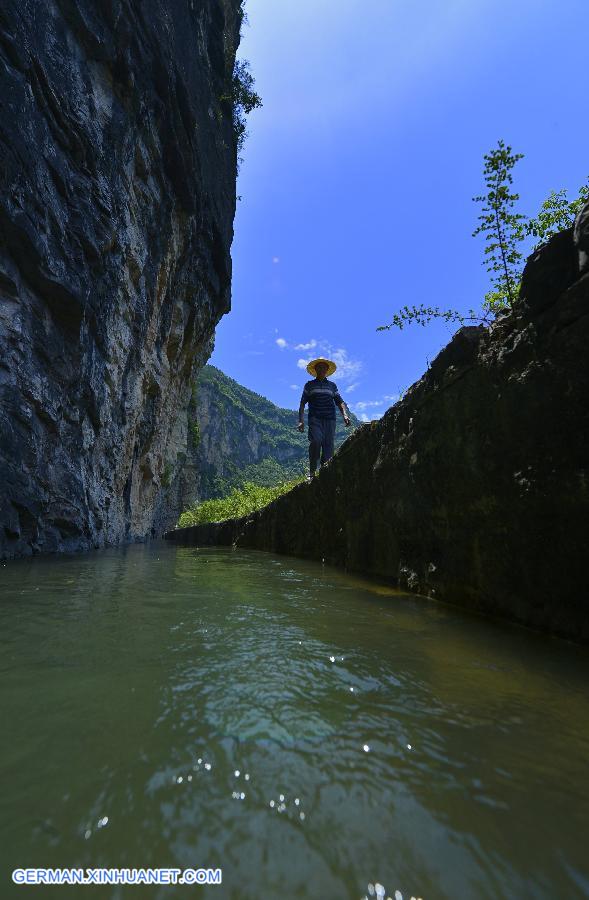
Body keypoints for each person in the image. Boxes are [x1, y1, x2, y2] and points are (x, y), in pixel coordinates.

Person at [297, 357, 351, 477]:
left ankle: (324, 475)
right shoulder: (309, 385)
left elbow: (339, 401)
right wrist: (301, 421)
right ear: (315, 369)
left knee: (328, 447)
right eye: (319, 367)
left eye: (324, 367)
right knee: (316, 441)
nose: (321, 369)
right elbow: (302, 403)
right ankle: (312, 472)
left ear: (327, 370)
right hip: (315, 419)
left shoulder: (332, 386)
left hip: (330, 419)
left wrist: (345, 415)